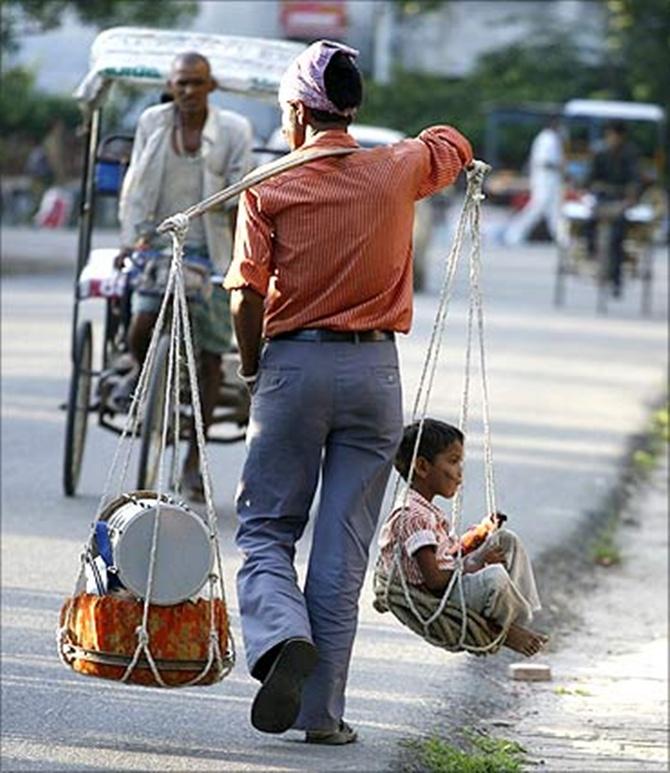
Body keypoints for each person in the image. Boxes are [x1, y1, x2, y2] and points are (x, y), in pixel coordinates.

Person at [223, 39, 474, 744]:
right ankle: (322, 716)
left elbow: (246, 295)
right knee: (342, 549)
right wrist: (414, 147)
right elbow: (451, 141)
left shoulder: (269, 184)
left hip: (293, 369)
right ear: (351, 107)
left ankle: (280, 636)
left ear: (299, 113)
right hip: (374, 378)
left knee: (269, 528)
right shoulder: (398, 167)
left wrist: (252, 371)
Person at [115, 51, 254, 499]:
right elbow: (136, 185)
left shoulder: (234, 130)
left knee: (211, 359)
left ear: (211, 86)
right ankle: (143, 378)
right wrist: (132, 240)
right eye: (181, 83)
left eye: (197, 83)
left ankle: (194, 461)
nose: (188, 91)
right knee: (140, 325)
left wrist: (238, 260)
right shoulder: (153, 122)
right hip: (159, 242)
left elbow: (240, 198)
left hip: (212, 251)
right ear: (171, 86)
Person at [378, 419, 547, 657]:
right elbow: (435, 580)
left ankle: (521, 613)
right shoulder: (412, 517)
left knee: (505, 540)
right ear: (423, 467)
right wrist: (475, 564)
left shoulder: (424, 509)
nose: (460, 473)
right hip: (444, 597)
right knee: (495, 576)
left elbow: (448, 553)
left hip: (456, 577)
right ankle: (504, 630)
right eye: (453, 461)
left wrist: (479, 535)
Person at [585, 121, 640, 297]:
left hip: (620, 200)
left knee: (618, 237)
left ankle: (616, 281)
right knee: (589, 224)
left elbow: (635, 179)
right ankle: (592, 256)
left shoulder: (630, 154)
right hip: (602, 197)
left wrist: (631, 196)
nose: (612, 139)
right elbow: (589, 179)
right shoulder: (600, 153)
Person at [503, 116, 563, 246]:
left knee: (554, 210)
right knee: (538, 206)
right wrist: (560, 167)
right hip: (544, 177)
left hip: (552, 177)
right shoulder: (546, 138)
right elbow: (544, 161)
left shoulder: (553, 138)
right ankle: (513, 235)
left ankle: (562, 238)